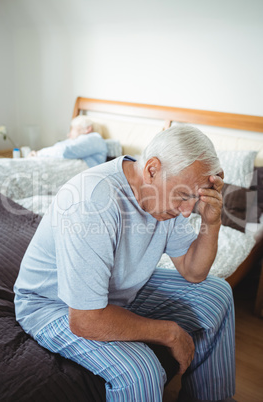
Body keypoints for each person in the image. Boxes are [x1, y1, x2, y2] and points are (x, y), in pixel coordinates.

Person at [14, 124, 236, 402]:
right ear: (152, 169)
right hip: (52, 303)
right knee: (140, 370)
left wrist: (212, 221)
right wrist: (169, 333)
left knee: (218, 293)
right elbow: (86, 319)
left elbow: (193, 272)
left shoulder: (172, 197)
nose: (187, 211)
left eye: (194, 199)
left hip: (113, 288)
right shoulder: (93, 202)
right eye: (183, 197)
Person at [28, 115, 108, 168]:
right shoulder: (81, 142)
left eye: (72, 129)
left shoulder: (94, 138)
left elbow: (65, 151)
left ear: (88, 129)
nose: (68, 134)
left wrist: (39, 153)